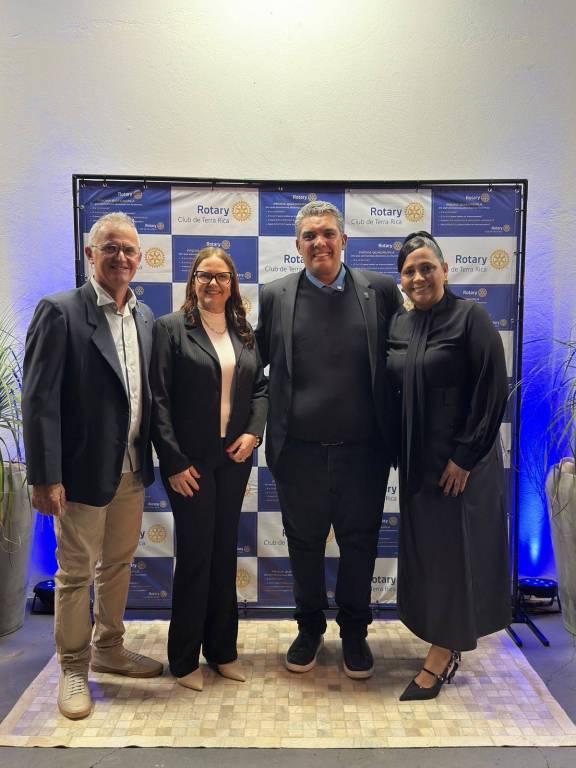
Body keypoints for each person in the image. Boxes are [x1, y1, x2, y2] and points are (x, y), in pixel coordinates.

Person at [22, 212, 163, 720]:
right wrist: (45, 476)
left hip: (131, 469)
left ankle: (109, 648)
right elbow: (39, 400)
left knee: (118, 565)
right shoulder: (60, 311)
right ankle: (73, 667)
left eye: (129, 249)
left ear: (139, 258)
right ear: (90, 254)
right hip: (80, 473)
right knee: (76, 572)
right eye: (110, 248)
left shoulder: (145, 317)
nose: (121, 257)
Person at [255, 200, 402, 679]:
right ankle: (309, 628)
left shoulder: (380, 291)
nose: (320, 242)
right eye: (310, 236)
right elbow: (254, 365)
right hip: (298, 454)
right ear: (297, 245)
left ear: (344, 240)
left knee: (360, 544)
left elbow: (405, 359)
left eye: (328, 233)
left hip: (364, 453)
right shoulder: (275, 295)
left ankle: (355, 632)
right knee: (304, 545)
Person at [387, 231, 510, 701]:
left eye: (427, 267)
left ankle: (443, 653)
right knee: (430, 556)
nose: (418, 277)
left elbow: (492, 391)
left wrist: (464, 457)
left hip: (461, 465)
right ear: (401, 279)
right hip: (419, 463)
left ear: (444, 270)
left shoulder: (470, 318)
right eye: (409, 271)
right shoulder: (401, 323)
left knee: (456, 556)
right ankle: (438, 635)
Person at [150, 247, 267, 692]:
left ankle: (222, 651)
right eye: (204, 275)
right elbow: (159, 400)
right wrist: (174, 462)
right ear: (193, 281)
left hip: (233, 460)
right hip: (190, 465)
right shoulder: (171, 329)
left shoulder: (243, 331)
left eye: (221, 277)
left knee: (223, 555)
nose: (213, 284)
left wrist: (253, 433)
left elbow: (261, 388)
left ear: (233, 283)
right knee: (196, 556)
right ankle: (183, 660)